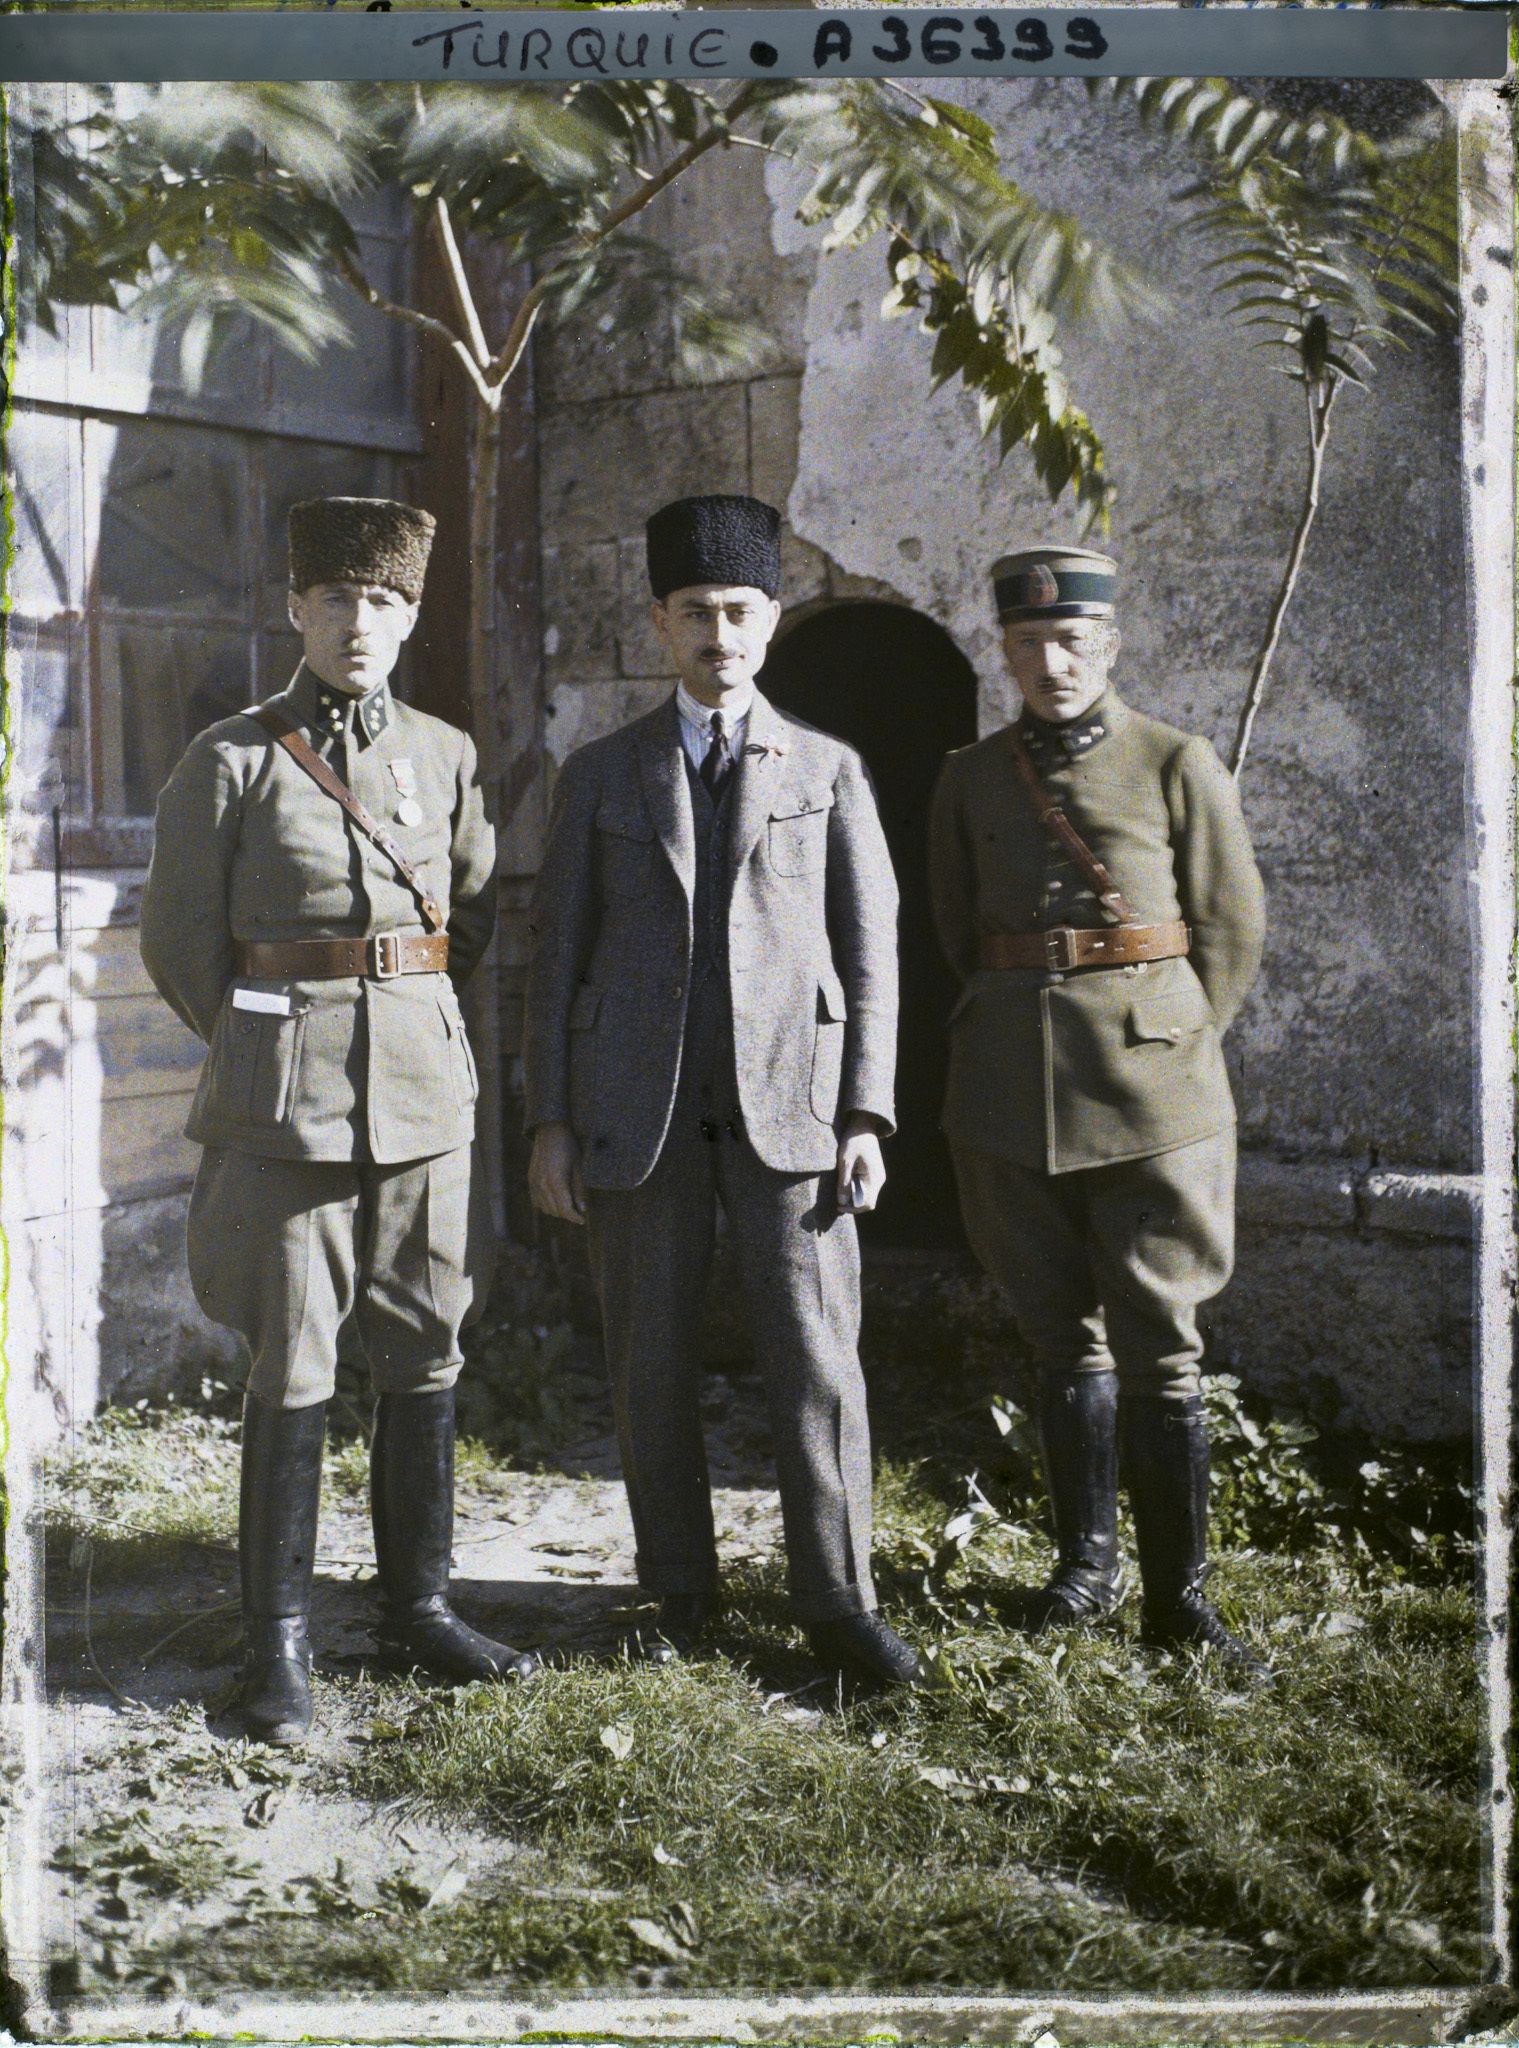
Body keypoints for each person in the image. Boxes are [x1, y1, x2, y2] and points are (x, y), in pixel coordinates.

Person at [140, 495, 538, 1747]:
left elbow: (462, 924)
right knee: (295, 1361)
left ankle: (418, 1606)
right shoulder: (233, 758)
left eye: (384, 601)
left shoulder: (446, 753)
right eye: (335, 599)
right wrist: (275, 1047)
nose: (359, 622)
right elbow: (179, 943)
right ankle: (280, 1649)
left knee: (427, 1347)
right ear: (294, 610)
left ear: (411, 616)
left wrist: (396, 1028)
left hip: (425, 1100)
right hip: (285, 1112)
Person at [523, 493, 923, 1688]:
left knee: (813, 1353)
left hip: (790, 1105)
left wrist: (864, 1111)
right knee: (647, 1350)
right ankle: (678, 1590)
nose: (720, 634)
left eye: (740, 611)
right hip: (635, 1110)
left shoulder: (830, 770)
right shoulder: (601, 775)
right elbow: (555, 959)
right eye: (695, 611)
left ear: (771, 617)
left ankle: (836, 1599)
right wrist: (551, 1118)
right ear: (659, 622)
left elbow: (872, 949)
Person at [928, 545, 1270, 1679]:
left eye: (1071, 639)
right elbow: (955, 929)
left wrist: (1164, 1042)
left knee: (1160, 1344)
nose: (1049, 660)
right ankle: (1084, 1569)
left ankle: (1180, 1597)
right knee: (1051, 1329)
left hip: (1150, 1089)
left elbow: (1228, 931)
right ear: (1005, 650)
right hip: (1006, 1092)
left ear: (1109, 645)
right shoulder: (968, 777)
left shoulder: (1176, 761)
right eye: (1027, 642)